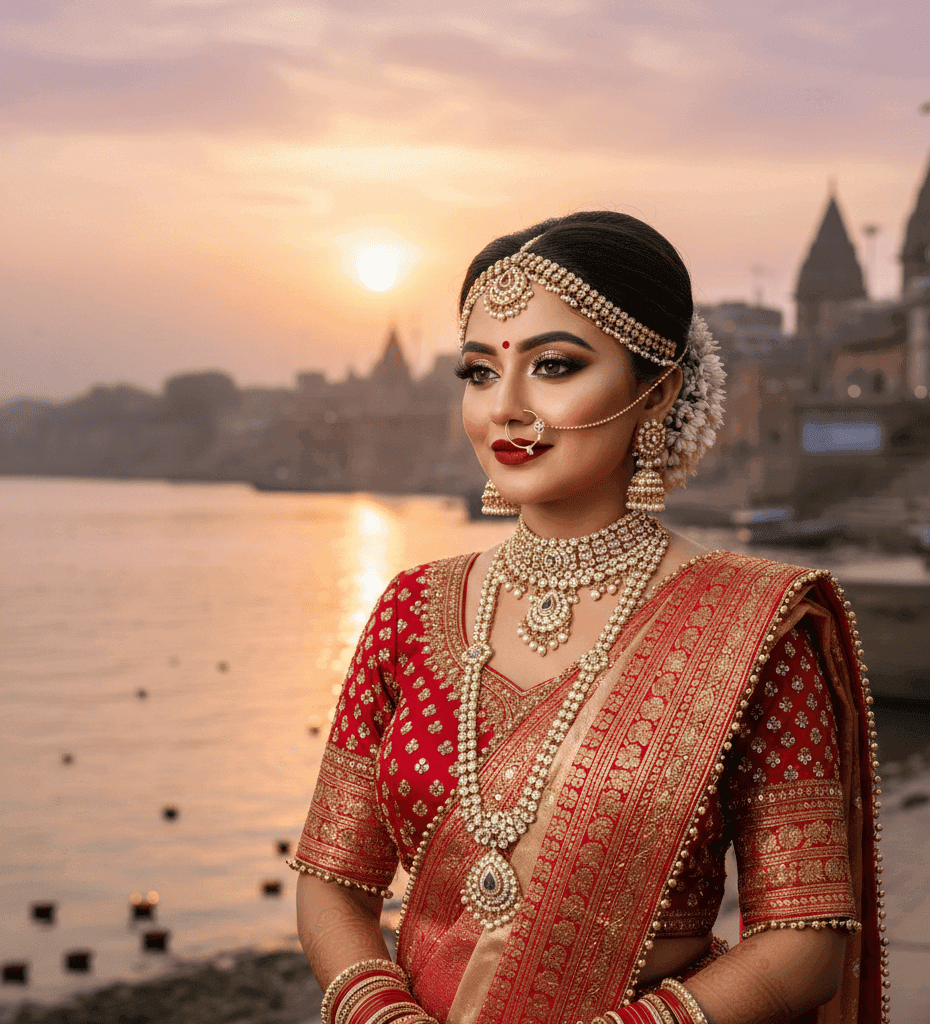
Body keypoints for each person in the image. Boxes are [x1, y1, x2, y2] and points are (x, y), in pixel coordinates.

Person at [289, 212, 888, 1024]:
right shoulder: (411, 609)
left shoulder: (755, 628)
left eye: (555, 366)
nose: (505, 407)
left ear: (658, 390)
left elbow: (806, 939)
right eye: (476, 372)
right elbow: (332, 880)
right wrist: (381, 1015)